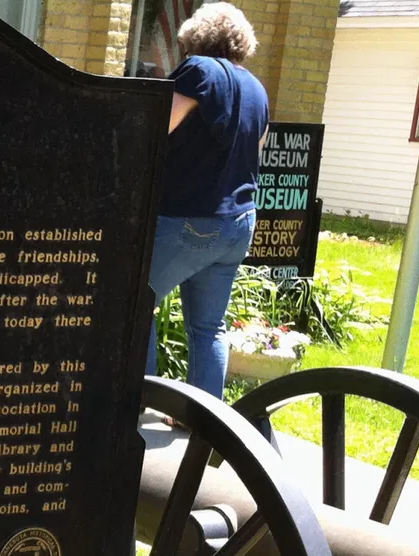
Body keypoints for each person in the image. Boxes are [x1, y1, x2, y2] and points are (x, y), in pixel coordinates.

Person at [146, 2, 269, 397]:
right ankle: (203, 425)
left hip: (189, 218)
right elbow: (257, 148)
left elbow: (153, 128)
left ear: (196, 38)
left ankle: (132, 408)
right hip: (239, 223)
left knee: (132, 305)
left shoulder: (198, 70)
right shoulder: (257, 89)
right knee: (208, 327)